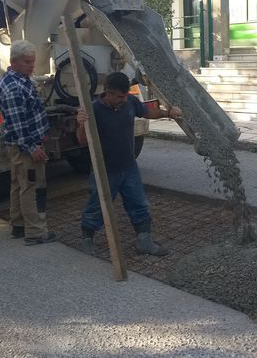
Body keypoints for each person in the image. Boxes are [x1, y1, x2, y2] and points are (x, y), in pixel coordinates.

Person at [76, 72, 182, 256]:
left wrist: (168, 114)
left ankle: (144, 241)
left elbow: (147, 112)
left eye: (125, 96)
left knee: (139, 204)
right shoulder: (94, 111)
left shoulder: (130, 102)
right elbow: (82, 141)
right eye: (119, 96)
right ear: (108, 93)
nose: (123, 100)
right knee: (97, 205)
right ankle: (87, 240)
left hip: (128, 166)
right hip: (105, 169)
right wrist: (81, 124)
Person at [0, 40, 56, 246]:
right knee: (33, 186)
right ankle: (36, 232)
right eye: (27, 62)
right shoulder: (14, 87)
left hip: (20, 145)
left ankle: (19, 225)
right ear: (14, 62)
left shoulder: (18, 79)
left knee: (19, 184)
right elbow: (18, 123)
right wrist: (33, 148)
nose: (32, 66)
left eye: (33, 62)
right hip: (25, 146)